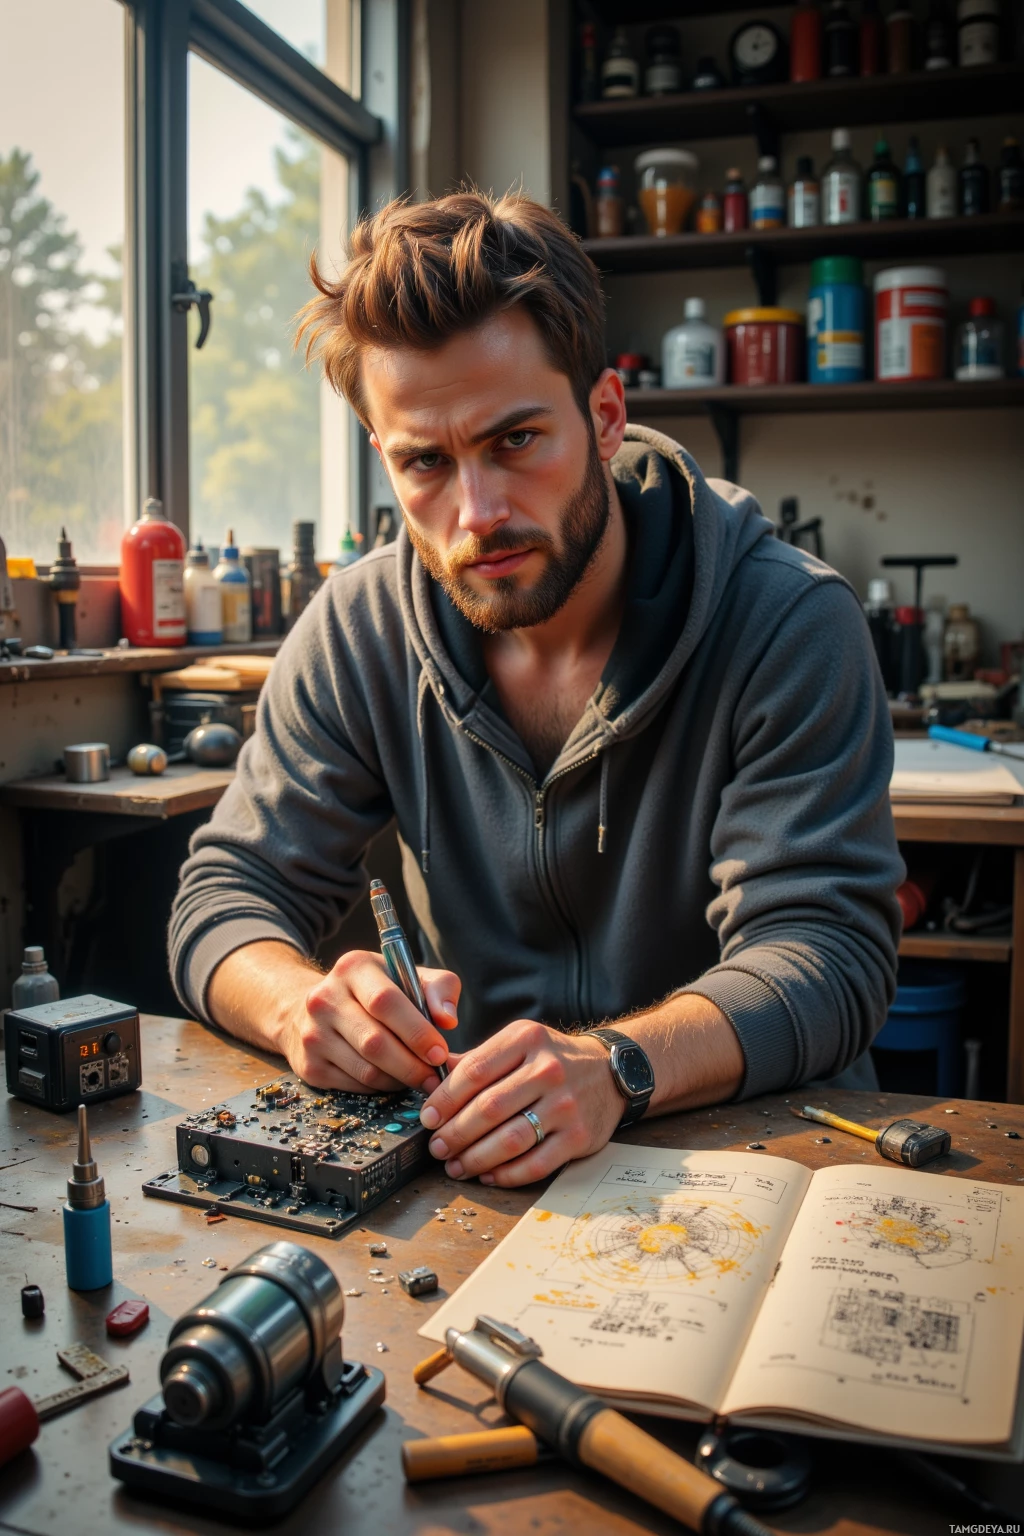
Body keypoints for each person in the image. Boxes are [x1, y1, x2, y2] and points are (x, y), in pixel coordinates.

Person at [169, 190, 902, 1190]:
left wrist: (616, 1068)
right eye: (426, 462)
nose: (477, 514)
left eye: (516, 440)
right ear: (384, 460)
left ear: (602, 417)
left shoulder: (786, 621)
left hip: (754, 1156)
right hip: (485, 1161)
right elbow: (225, 896)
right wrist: (299, 1005)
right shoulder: (357, 631)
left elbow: (827, 955)